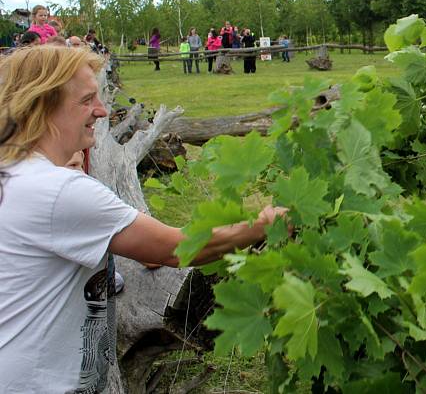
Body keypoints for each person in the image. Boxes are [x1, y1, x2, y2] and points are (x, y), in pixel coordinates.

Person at [0, 46, 284, 393]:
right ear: (43, 105)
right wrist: (263, 224)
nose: (102, 111)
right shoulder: (59, 191)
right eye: (87, 100)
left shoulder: (15, 175)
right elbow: (177, 249)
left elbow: (147, 249)